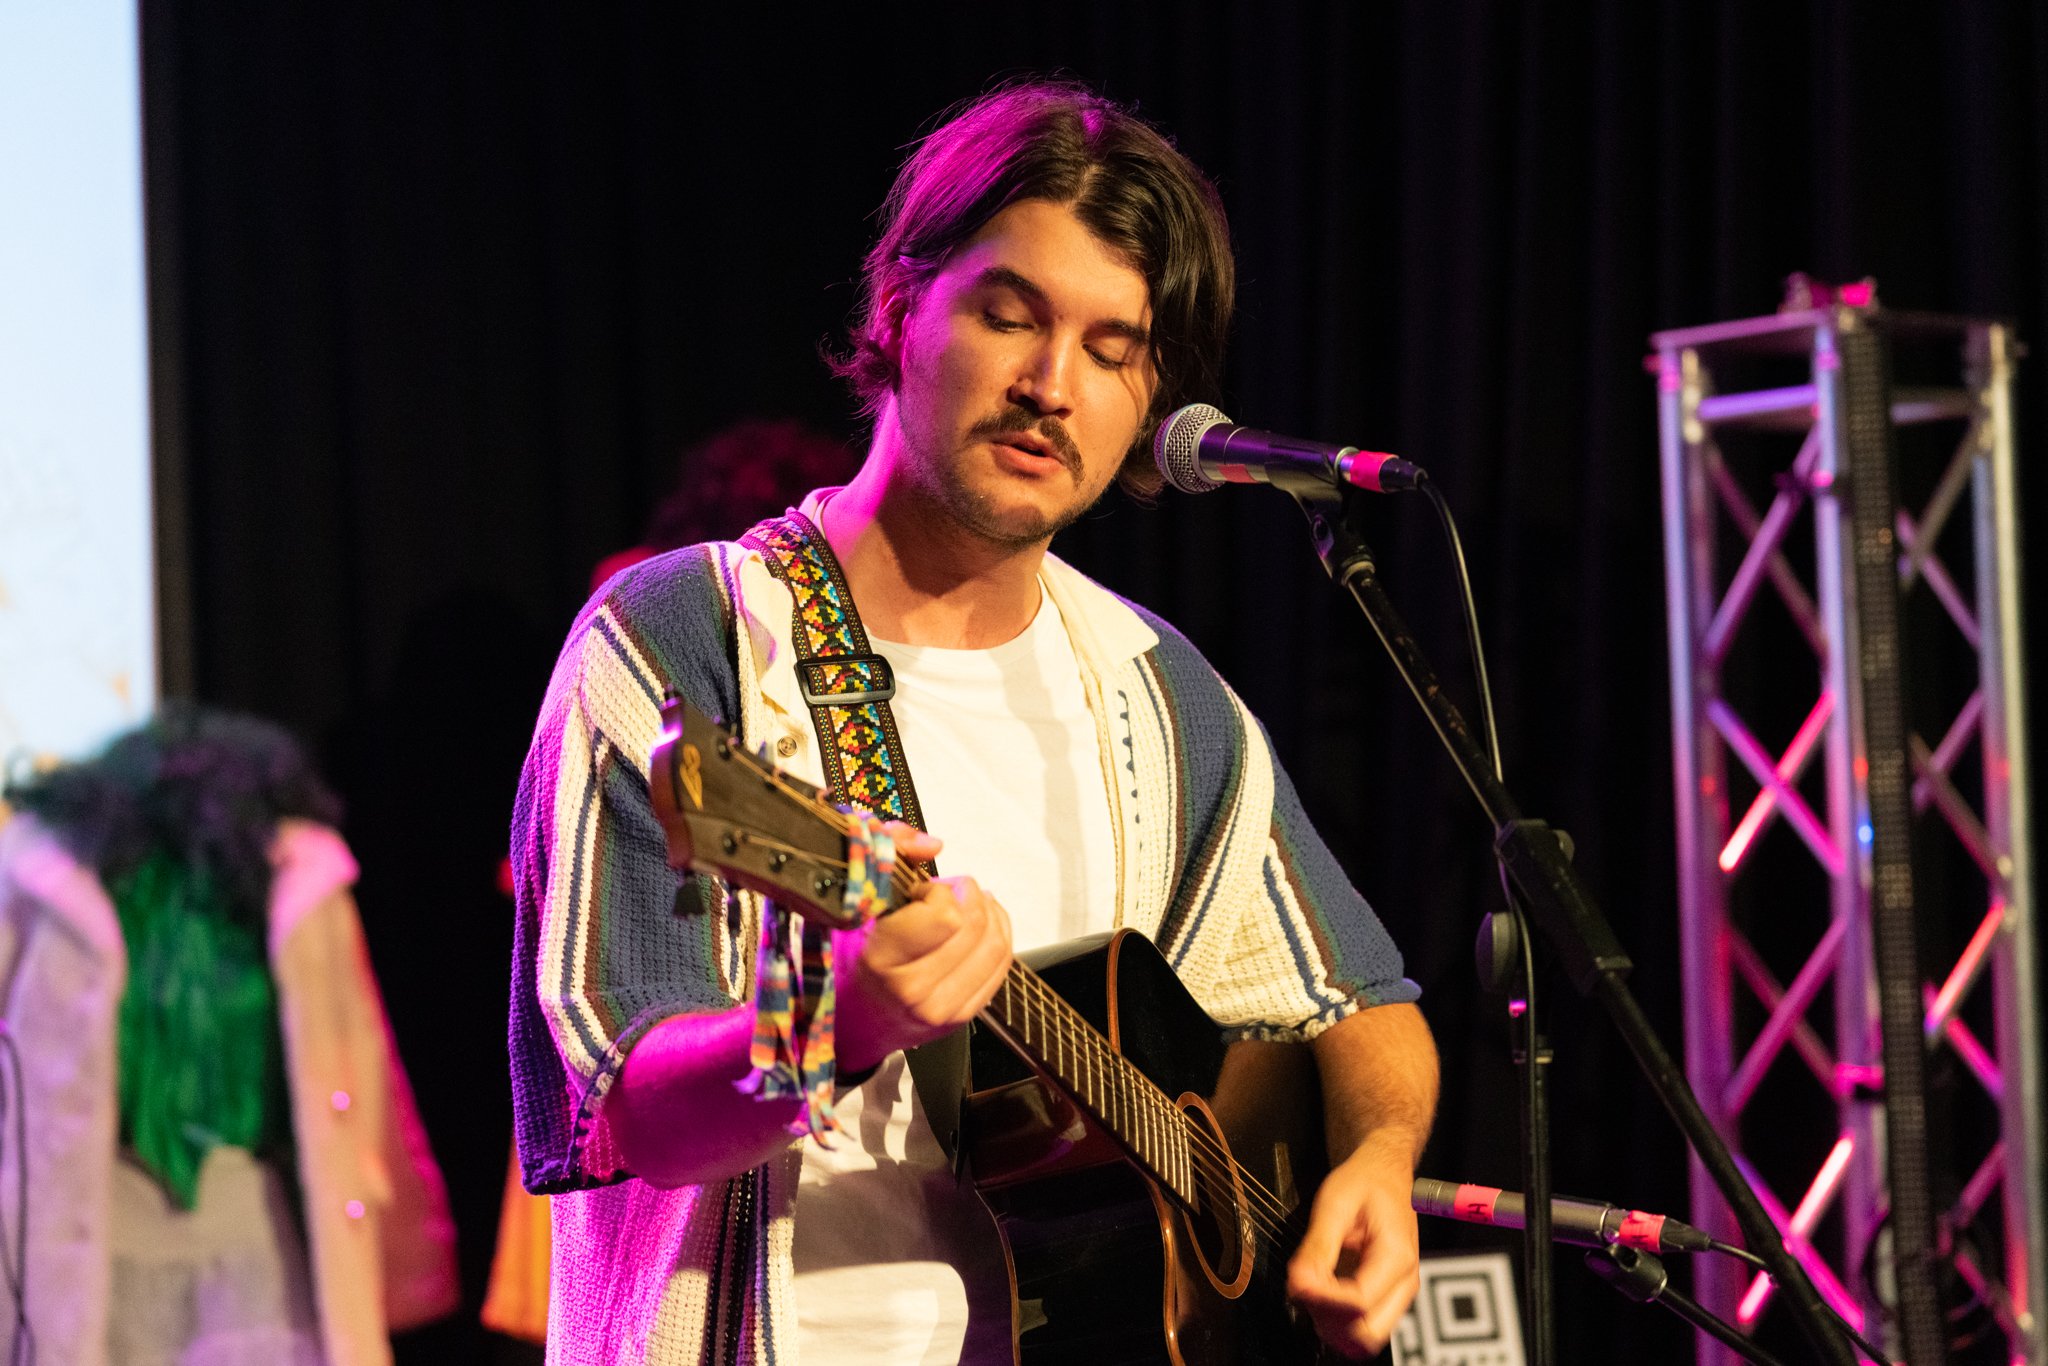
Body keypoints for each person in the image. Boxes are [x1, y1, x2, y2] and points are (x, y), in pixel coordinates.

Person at [509, 80, 1438, 1364]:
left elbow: (1361, 1005)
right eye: (1010, 316)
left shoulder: (1157, 692)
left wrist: (1378, 1163)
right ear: (900, 309)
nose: (1052, 385)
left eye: (1111, 349)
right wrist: (835, 1022)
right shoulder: (688, 641)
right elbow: (625, 1109)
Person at [0, 705, 459, 1365]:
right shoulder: (51, 882)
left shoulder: (298, 884)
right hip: (97, 1230)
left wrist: (402, 1255)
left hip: (252, 1234)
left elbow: (357, 1062)